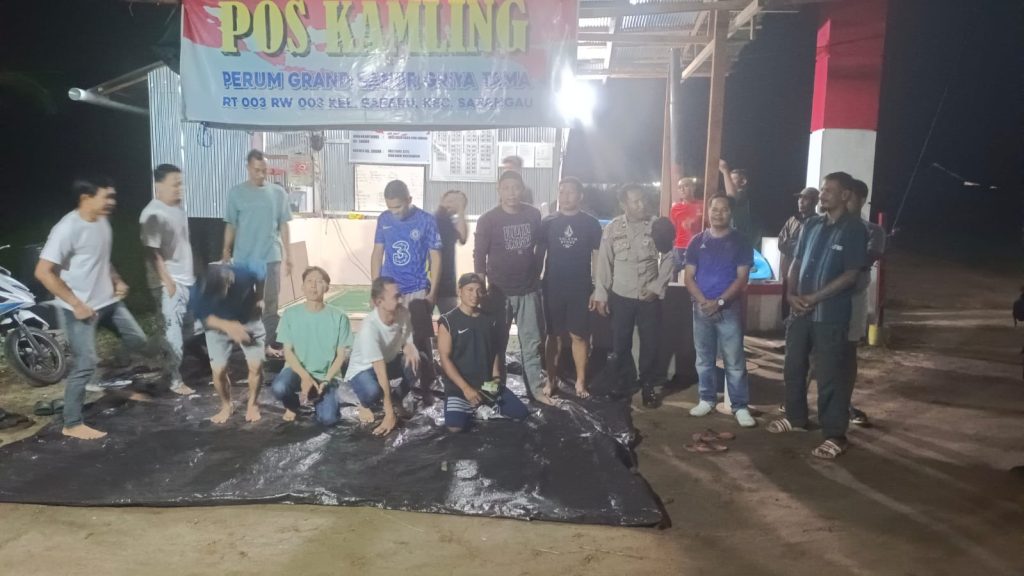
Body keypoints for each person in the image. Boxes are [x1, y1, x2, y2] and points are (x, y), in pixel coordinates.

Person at [35, 176, 151, 441]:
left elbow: (101, 258)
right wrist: (76, 304)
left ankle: (113, 385)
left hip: (108, 302)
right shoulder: (66, 229)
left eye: (113, 196)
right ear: (86, 198)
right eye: (106, 197)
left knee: (138, 340)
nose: (112, 202)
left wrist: (117, 279)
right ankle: (72, 423)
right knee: (85, 364)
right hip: (79, 309)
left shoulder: (101, 221)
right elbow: (43, 272)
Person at [768, 171, 867, 460]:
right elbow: (796, 261)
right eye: (822, 190)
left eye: (828, 191)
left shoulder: (854, 229)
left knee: (829, 375)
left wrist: (814, 298)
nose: (821, 195)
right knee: (793, 366)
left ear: (845, 195)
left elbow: (851, 275)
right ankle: (796, 418)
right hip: (800, 313)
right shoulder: (811, 225)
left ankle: (835, 435)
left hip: (830, 315)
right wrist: (790, 295)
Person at [593, 184, 675, 408]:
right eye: (635, 201)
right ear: (624, 204)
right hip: (621, 296)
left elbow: (670, 257)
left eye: (643, 200)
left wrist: (657, 288)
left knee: (650, 343)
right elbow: (604, 263)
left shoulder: (657, 226)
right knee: (620, 344)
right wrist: (601, 294)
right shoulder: (612, 228)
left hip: (648, 297)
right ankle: (621, 384)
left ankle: (648, 386)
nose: (641, 205)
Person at [474, 170, 551, 405]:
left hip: (528, 290)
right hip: (498, 293)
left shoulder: (533, 214)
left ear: (522, 190)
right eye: (506, 188)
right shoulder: (488, 219)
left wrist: (537, 270)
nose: (511, 193)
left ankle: (536, 390)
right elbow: (479, 257)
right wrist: (480, 289)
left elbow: (541, 245)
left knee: (532, 343)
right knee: (496, 344)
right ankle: (493, 389)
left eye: (516, 188)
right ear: (498, 190)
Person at [683, 196, 756, 427]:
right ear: (708, 211)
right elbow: (688, 277)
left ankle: (740, 406)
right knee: (704, 358)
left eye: (724, 210)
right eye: (715, 209)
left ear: (730, 213)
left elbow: (742, 278)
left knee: (734, 360)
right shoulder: (697, 241)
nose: (718, 213)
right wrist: (704, 302)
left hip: (729, 309)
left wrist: (720, 302)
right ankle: (706, 399)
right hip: (701, 308)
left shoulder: (741, 241)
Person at [371, 180, 441, 391]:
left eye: (398, 207)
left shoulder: (426, 220)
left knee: (419, 338)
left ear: (409, 200)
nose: (394, 212)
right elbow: (377, 253)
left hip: (417, 288)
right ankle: (389, 384)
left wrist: (433, 293)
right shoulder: (384, 219)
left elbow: (436, 257)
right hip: (390, 289)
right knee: (387, 335)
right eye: (390, 207)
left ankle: (427, 381)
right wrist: (375, 289)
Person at [221, 149, 292, 357]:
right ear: (248, 168)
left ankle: (265, 346)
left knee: (270, 305)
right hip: (243, 259)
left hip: (271, 257)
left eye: (264, 170)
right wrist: (226, 250)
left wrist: (289, 255)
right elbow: (231, 224)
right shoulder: (236, 193)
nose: (261, 174)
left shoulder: (278, 193)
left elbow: (284, 225)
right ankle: (246, 346)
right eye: (256, 170)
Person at [536, 177, 602, 399]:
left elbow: (597, 256)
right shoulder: (548, 222)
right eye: (562, 192)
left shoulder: (591, 223)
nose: (565, 196)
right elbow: (539, 254)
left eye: (570, 192)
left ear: (580, 196)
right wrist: (535, 279)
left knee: (579, 335)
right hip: (552, 285)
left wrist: (597, 287)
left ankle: (580, 381)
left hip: (580, 287)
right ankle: (551, 379)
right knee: (553, 335)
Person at [438, 273, 529, 432]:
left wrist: (496, 378)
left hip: (486, 385)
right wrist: (466, 389)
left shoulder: (489, 320)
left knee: (521, 414)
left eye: (479, 291)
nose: (475, 295)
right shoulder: (448, 321)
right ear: (459, 291)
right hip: (459, 388)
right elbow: (444, 358)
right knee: (455, 427)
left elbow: (494, 351)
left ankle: (482, 405)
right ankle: (471, 407)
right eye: (470, 290)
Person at [271, 266, 353, 425]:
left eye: (319, 281)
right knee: (279, 387)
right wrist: (305, 377)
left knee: (328, 420)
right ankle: (292, 406)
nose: (313, 285)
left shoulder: (340, 317)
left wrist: (326, 380)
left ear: (327, 287)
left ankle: (318, 397)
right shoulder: (290, 314)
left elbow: (341, 356)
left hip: (326, 376)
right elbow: (288, 351)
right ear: (302, 286)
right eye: (309, 281)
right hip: (296, 371)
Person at [139, 164, 195, 396]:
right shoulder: (153, 215)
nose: (179, 188)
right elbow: (152, 253)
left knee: (188, 331)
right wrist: (168, 282)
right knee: (174, 337)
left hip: (187, 280)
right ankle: (174, 380)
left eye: (180, 183)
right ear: (159, 185)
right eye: (174, 184)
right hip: (169, 284)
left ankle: (159, 354)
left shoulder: (178, 209)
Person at [343, 276, 420, 436]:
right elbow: (380, 371)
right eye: (395, 297)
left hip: (388, 361)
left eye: (400, 295)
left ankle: (396, 398)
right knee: (373, 391)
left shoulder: (403, 312)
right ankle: (364, 404)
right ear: (379, 302)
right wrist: (389, 414)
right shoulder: (369, 328)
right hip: (363, 369)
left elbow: (407, 337)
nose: (401, 300)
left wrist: (409, 346)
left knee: (419, 362)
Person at [192, 263, 265, 424]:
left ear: (229, 281)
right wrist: (230, 327)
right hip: (217, 325)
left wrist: (259, 298)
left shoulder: (244, 272)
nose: (216, 298)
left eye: (219, 292)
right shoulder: (197, 290)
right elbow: (205, 318)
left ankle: (253, 403)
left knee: (256, 365)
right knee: (218, 371)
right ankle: (226, 405)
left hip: (248, 318)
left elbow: (261, 274)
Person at [846, 179, 886, 427]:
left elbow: (866, 258)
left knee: (847, 352)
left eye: (849, 196)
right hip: (823, 299)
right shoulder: (824, 226)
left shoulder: (872, 230)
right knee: (815, 352)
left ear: (861, 199)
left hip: (852, 298)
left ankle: (845, 404)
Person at [778, 187, 820, 317]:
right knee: (786, 310)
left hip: (805, 275)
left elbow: (811, 249)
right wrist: (797, 246)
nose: (801, 201)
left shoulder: (818, 223)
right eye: (800, 198)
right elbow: (781, 244)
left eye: (805, 198)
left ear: (815, 202)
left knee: (802, 309)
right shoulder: (792, 220)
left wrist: (793, 245)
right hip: (787, 273)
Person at [435, 190, 469, 314]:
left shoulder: (452, 223)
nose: (451, 204)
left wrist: (461, 211)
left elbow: (463, 238)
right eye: (450, 200)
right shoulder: (430, 219)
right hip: (427, 279)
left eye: (457, 202)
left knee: (451, 319)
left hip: (447, 282)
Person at [669, 177, 703, 275]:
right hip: (680, 248)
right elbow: (673, 230)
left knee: (696, 276)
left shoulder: (702, 205)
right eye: (680, 187)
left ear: (693, 187)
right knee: (679, 277)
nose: (682, 189)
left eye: (686, 186)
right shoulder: (675, 208)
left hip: (697, 247)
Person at [719, 160, 756, 244]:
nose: (728, 182)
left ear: (743, 181)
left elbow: (732, 198)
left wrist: (725, 170)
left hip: (741, 241)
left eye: (731, 180)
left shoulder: (742, 195)